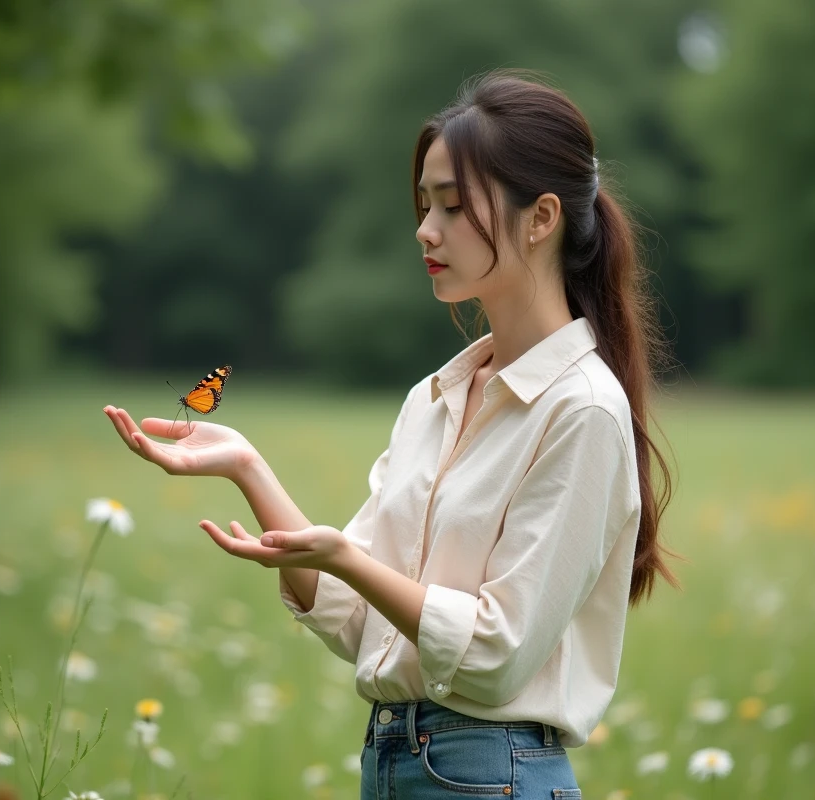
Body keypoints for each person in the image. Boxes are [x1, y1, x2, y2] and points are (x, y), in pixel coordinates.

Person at [104, 68, 679, 799]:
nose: (424, 230)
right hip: (393, 763)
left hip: (492, 774)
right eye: (423, 204)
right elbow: (355, 622)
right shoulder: (433, 400)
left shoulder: (582, 411)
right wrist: (249, 469)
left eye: (451, 207)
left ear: (540, 218)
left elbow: (495, 655)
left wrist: (347, 557)